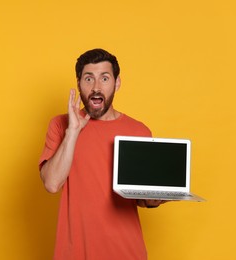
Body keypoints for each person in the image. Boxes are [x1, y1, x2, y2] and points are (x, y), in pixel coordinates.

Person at [39, 48, 165, 260]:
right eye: (89, 78)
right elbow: (52, 184)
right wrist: (73, 132)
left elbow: (142, 199)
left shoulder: (139, 132)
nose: (96, 87)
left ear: (117, 83)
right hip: (75, 253)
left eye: (104, 78)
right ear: (79, 83)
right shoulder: (61, 125)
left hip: (126, 252)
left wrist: (157, 197)